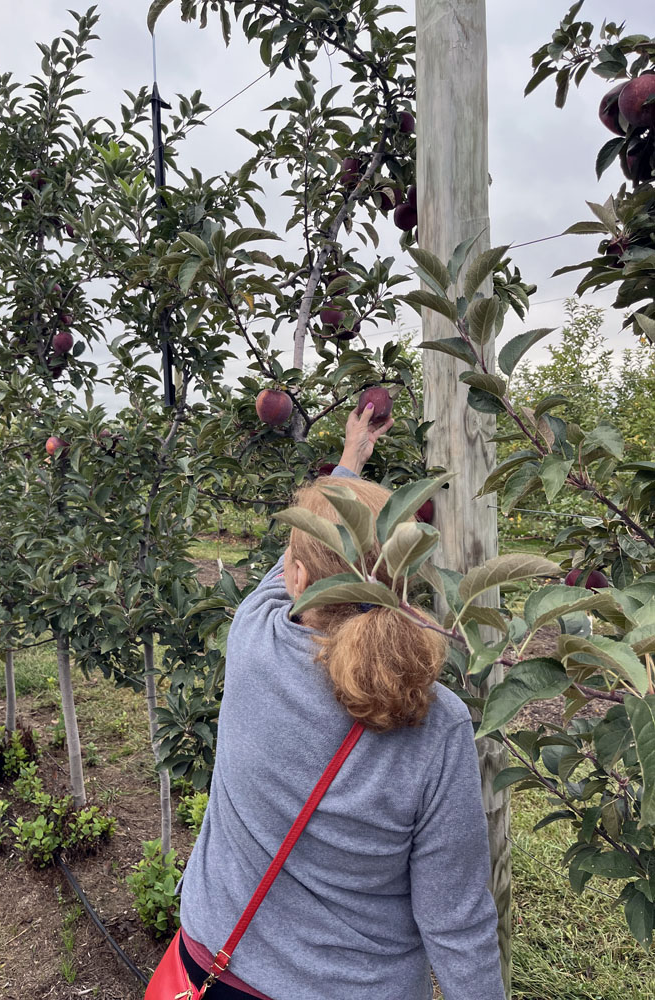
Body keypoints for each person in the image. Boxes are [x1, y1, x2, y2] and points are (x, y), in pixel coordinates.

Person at [176, 401, 507, 1000]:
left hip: (214, 964)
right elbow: (457, 924)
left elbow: (296, 561)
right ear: (404, 579)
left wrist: (351, 455)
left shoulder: (253, 639)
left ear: (299, 579)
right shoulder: (438, 725)